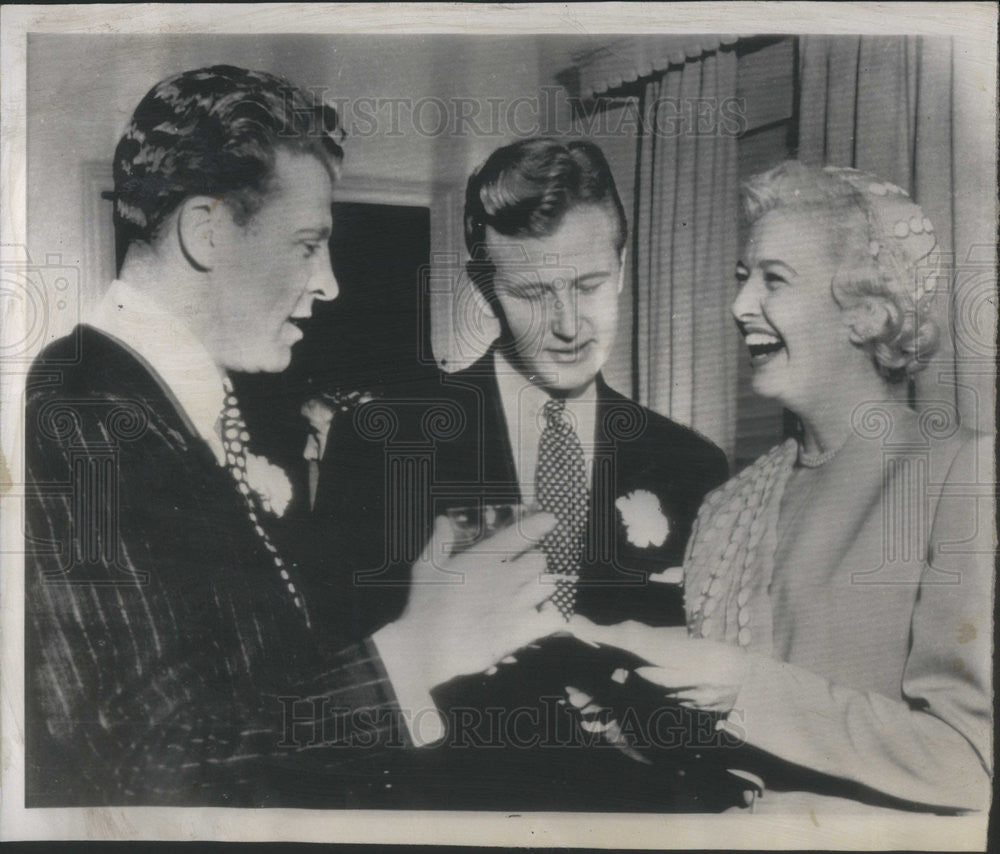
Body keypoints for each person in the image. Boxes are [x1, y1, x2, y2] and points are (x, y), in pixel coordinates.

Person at [24, 65, 565, 808]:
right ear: (206, 232)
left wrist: (425, 615)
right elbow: (155, 772)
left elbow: (250, 697)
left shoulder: (176, 410)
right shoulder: (83, 410)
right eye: (308, 244)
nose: (330, 282)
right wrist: (416, 650)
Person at [308, 138, 738, 810]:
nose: (569, 326)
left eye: (590, 286)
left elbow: (716, 691)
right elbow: (337, 681)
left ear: (622, 268)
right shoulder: (382, 443)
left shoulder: (694, 466)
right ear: (486, 289)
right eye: (534, 294)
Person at [568, 161, 993, 814]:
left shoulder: (959, 474)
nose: (740, 306)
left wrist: (745, 689)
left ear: (867, 311)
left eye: (774, 279)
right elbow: (728, 759)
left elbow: (969, 765)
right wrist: (626, 714)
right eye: (743, 279)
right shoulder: (728, 504)